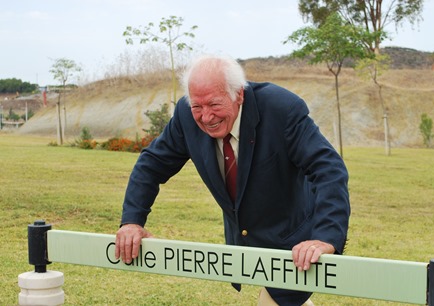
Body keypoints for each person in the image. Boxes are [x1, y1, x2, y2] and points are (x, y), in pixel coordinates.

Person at [115, 54, 350, 305]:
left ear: (239, 94)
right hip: (243, 238)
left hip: (294, 240)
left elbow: (329, 169)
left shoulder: (282, 109)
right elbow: (152, 165)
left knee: (276, 301)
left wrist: (324, 237)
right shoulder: (185, 116)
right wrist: (132, 222)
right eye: (197, 106)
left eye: (214, 105)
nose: (206, 117)